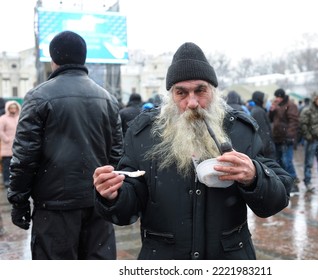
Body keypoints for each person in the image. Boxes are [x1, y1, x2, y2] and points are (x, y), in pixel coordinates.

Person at [93, 42, 292, 260]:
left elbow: (277, 198)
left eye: (200, 90)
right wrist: (112, 195)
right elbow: (127, 209)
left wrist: (254, 176)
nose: (192, 103)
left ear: (213, 91)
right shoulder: (145, 134)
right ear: (171, 95)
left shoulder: (240, 130)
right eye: (182, 93)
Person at [7, 31, 123, 259]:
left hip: (55, 208)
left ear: (53, 60)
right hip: (97, 204)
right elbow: (117, 154)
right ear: (84, 58)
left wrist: (19, 201)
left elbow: (25, 155)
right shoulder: (107, 98)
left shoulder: (39, 96)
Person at [269, 88, 300, 194]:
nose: (277, 99)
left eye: (278, 97)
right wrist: (272, 110)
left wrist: (289, 136)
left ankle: (294, 185)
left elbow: (294, 121)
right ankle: (285, 184)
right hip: (277, 138)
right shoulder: (277, 106)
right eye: (276, 97)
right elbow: (271, 119)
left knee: (287, 161)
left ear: (282, 97)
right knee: (280, 162)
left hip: (286, 138)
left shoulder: (290, 105)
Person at [299, 93, 318, 191]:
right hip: (312, 140)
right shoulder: (307, 111)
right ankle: (308, 182)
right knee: (309, 162)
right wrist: (308, 136)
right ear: (314, 100)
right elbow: (303, 125)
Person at [0, 100, 21, 188]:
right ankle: (6, 181)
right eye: (11, 107)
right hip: (7, 145)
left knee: (17, 165)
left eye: (15, 107)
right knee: (6, 165)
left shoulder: (19, 117)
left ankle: (15, 180)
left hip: (18, 145)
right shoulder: (3, 118)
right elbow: (0, 130)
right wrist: (6, 139)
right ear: (8, 108)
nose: (13, 109)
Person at [250, 90, 275, 159]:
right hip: (266, 150)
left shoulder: (258, 110)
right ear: (260, 100)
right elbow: (263, 132)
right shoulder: (258, 112)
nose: (266, 101)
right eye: (264, 99)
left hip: (264, 148)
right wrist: (268, 148)